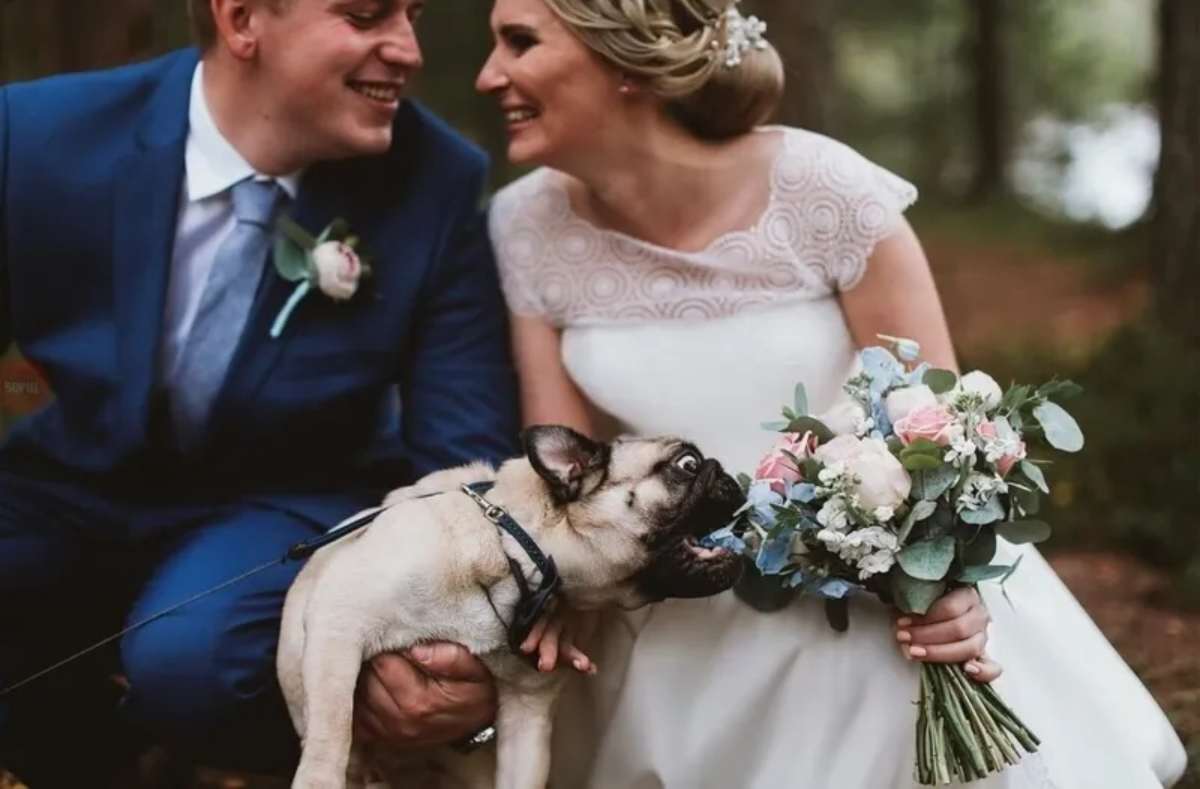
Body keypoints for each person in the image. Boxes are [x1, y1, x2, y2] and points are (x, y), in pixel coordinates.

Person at [475, 0, 1190, 787]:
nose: (488, 75)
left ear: (626, 59)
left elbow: (936, 426)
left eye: (520, 42)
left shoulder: (824, 188)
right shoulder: (523, 223)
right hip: (668, 608)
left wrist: (944, 580)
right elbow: (565, 478)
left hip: (871, 592)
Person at [0, 1, 535, 785]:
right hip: (71, 481)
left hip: (281, 506)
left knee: (196, 658)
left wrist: (441, 649)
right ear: (242, 19)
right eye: (364, 15)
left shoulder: (436, 180)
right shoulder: (37, 135)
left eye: (413, 15)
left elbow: (465, 455)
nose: (407, 49)